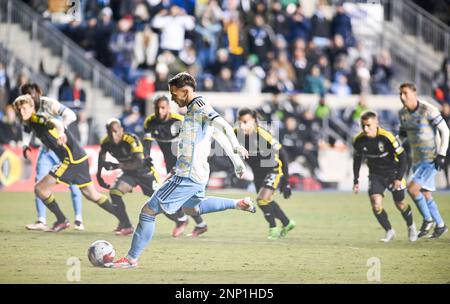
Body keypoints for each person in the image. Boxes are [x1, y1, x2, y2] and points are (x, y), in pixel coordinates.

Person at [108, 72, 256, 268]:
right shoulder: (197, 108)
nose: (172, 98)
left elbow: (224, 125)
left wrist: (237, 147)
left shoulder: (200, 107)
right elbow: (217, 133)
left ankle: (131, 259)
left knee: (148, 211)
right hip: (198, 173)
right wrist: (236, 162)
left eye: (174, 93)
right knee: (191, 208)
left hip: (188, 175)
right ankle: (237, 203)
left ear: (186, 92)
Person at [13, 94, 127, 232]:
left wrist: (61, 133)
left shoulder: (39, 117)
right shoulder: (29, 121)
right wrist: (25, 145)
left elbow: (56, 122)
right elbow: (26, 128)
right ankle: (125, 222)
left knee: (40, 189)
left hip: (71, 159)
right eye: (18, 110)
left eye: (24, 108)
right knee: (92, 195)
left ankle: (61, 220)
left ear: (32, 107)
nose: (21, 112)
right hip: (79, 158)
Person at [20, 83, 84, 231]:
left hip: (63, 149)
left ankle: (78, 219)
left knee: (74, 183)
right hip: (47, 151)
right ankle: (41, 221)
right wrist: (25, 144)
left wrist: (61, 130)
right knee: (39, 183)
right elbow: (26, 128)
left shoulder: (48, 103)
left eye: (32, 94)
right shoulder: (27, 109)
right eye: (26, 96)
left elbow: (71, 115)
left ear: (39, 92)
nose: (30, 98)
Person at [143, 95, 208, 237]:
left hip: (184, 163)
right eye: (157, 108)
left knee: (165, 192)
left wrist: (184, 162)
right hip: (170, 164)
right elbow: (147, 142)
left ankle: (182, 220)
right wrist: (146, 156)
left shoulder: (179, 121)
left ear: (169, 108)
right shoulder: (150, 121)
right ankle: (199, 224)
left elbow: (194, 141)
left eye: (163, 108)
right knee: (180, 196)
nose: (159, 111)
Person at [352, 111, 417, 242]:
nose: (365, 129)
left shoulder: (387, 137)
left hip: (392, 173)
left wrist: (399, 177)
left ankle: (411, 226)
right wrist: (356, 180)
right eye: (363, 125)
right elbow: (357, 160)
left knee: (400, 204)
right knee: (376, 205)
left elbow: (403, 156)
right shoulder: (359, 140)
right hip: (375, 175)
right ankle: (389, 231)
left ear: (376, 124)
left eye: (368, 125)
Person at [236, 108, 296, 240]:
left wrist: (286, 182)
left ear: (254, 122)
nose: (242, 125)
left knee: (262, 200)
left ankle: (273, 229)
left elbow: (283, 155)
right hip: (257, 173)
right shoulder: (236, 133)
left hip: (273, 169)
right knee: (266, 201)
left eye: (245, 122)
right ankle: (287, 223)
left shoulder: (263, 134)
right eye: (240, 122)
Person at [398, 83, 449, 238]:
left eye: (405, 93)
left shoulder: (428, 110)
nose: (402, 97)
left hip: (431, 158)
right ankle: (440, 225)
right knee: (425, 194)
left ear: (414, 93)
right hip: (417, 160)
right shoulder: (402, 114)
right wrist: (395, 149)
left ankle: (428, 220)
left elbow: (445, 131)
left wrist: (442, 154)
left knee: (412, 189)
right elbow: (402, 135)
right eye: (400, 94)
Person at [97, 119, 160, 236]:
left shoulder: (131, 139)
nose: (113, 135)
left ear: (122, 130)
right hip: (129, 174)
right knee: (115, 192)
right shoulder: (106, 142)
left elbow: (139, 163)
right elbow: (101, 156)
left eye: (115, 131)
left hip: (144, 173)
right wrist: (99, 175)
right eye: (110, 133)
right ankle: (126, 225)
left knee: (161, 200)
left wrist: (117, 165)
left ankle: (183, 219)